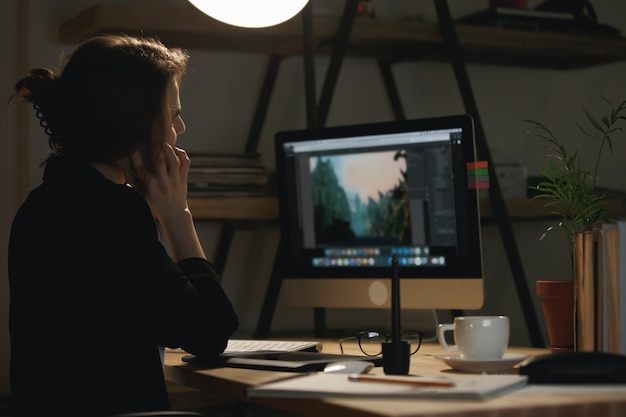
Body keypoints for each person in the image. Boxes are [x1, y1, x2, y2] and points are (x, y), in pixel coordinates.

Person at [8, 34, 239, 417]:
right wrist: (177, 216)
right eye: (173, 114)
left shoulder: (43, 203)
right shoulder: (111, 211)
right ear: (136, 122)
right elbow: (209, 332)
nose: (179, 129)